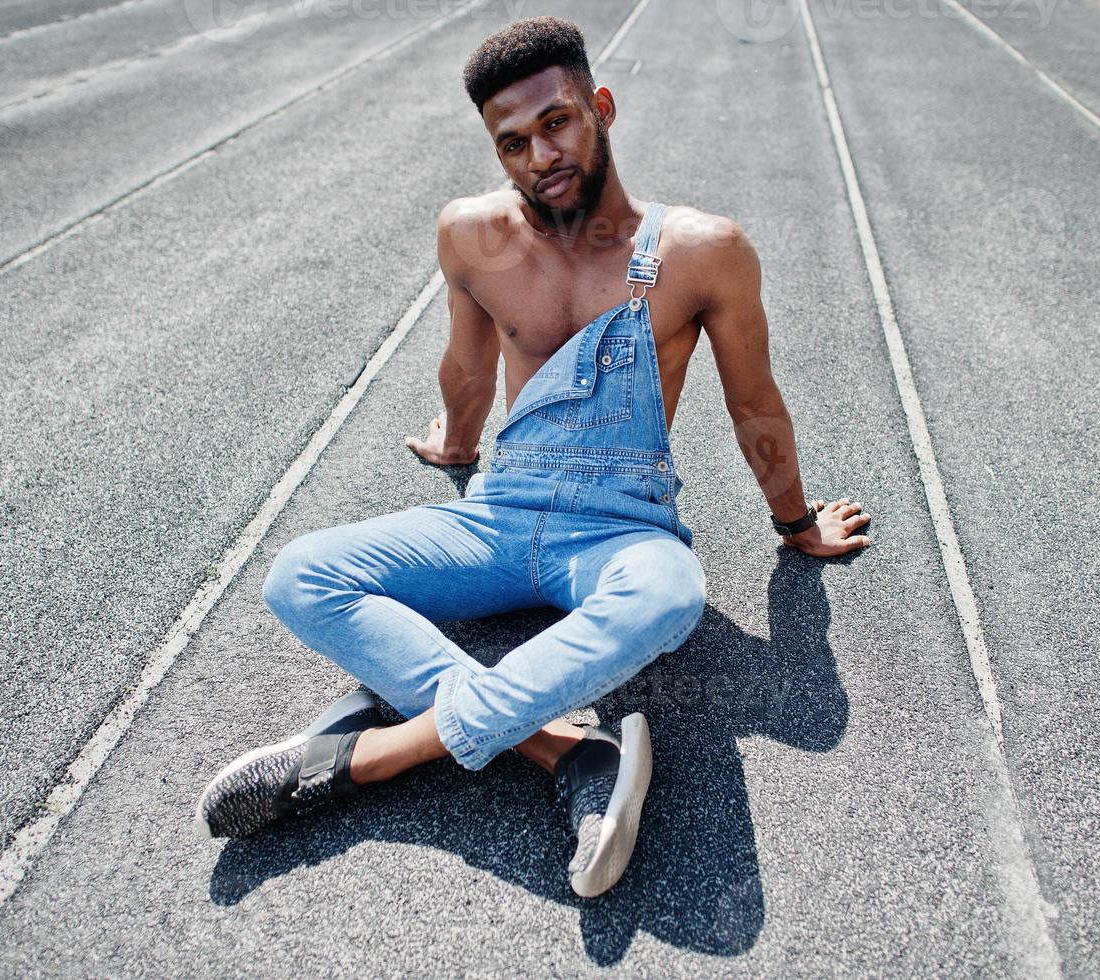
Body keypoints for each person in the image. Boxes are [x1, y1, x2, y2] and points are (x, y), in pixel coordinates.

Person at [195, 15, 871, 898]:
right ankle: (564, 750)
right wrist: (455, 442)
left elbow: (753, 404)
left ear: (600, 106)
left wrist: (794, 521)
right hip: (499, 513)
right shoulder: (472, 235)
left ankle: (381, 753)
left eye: (556, 122)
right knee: (298, 574)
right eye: (511, 143)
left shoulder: (700, 251)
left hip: (619, 527)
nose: (538, 154)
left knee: (670, 593)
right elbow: (469, 364)